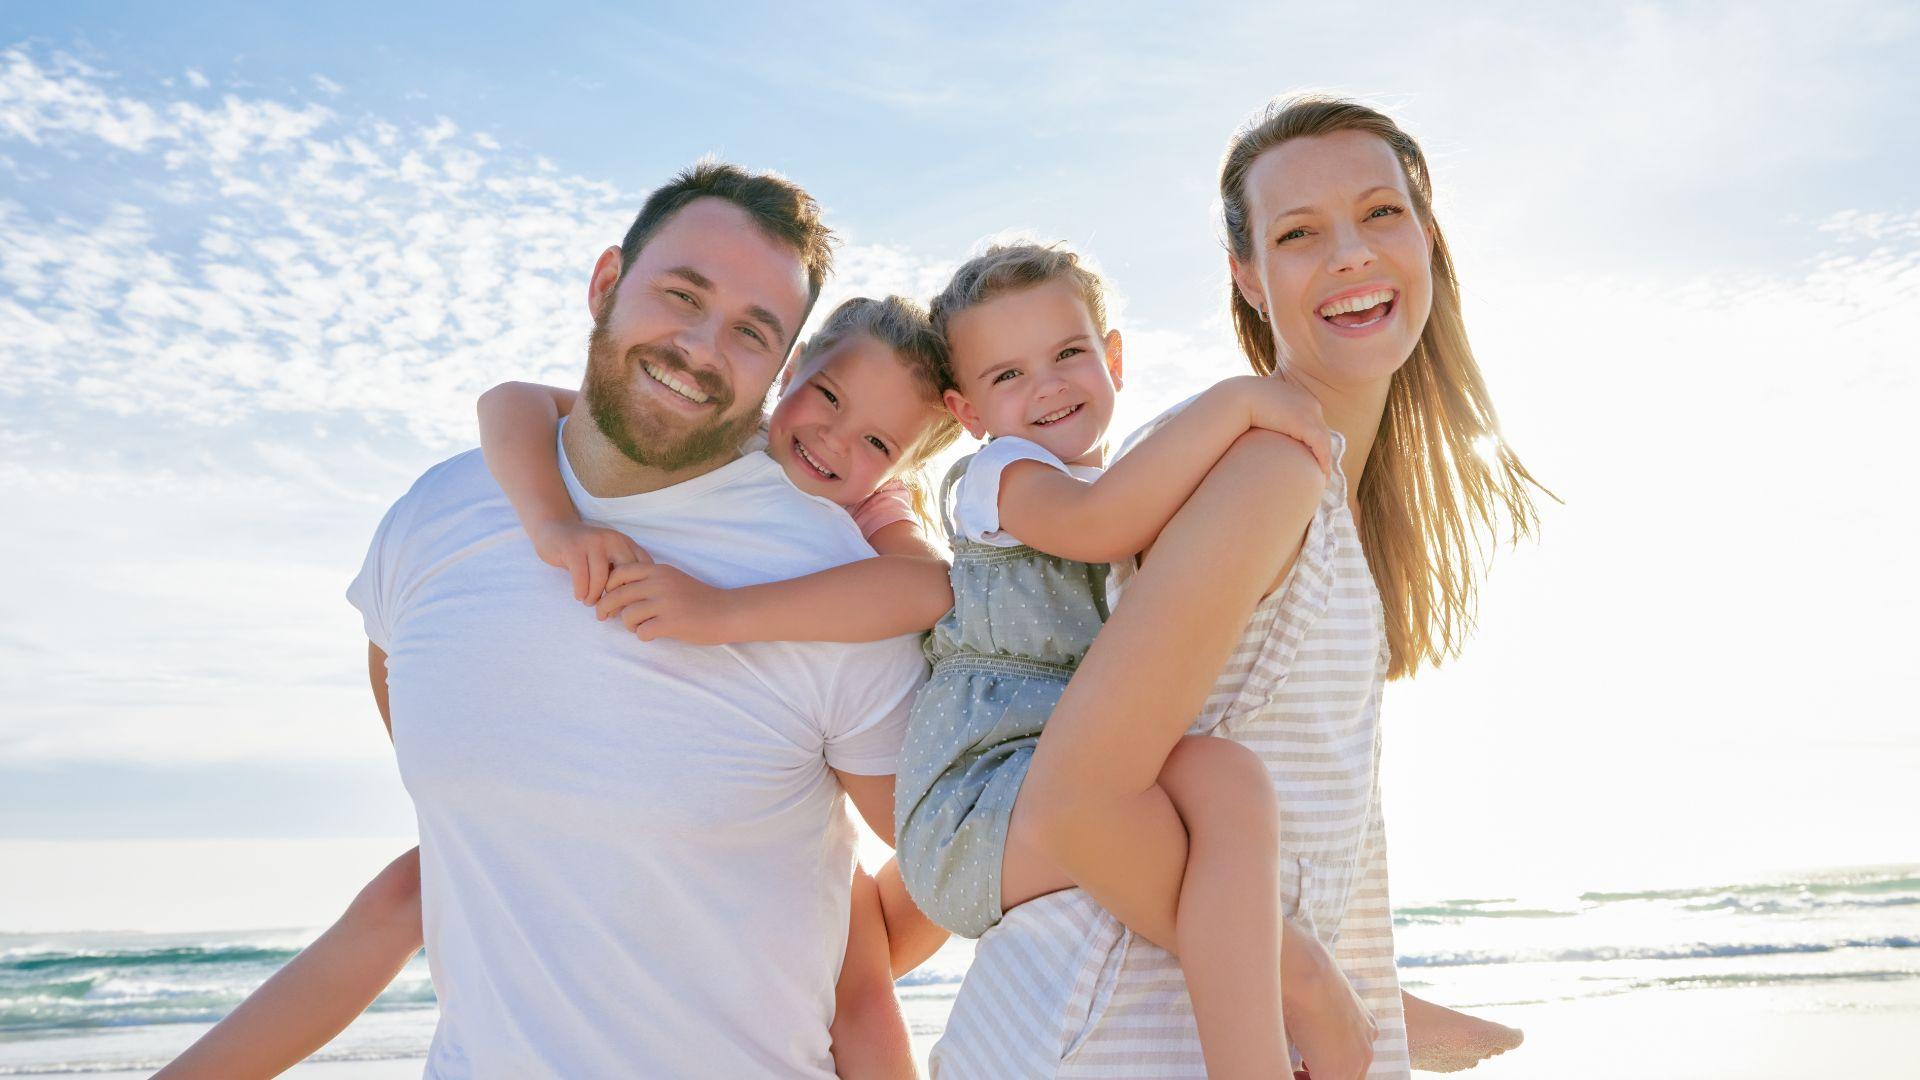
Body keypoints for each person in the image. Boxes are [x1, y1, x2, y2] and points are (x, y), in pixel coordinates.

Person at [155, 290, 961, 1079]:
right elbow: (512, 402)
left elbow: (930, 590)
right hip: (631, 802)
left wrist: (723, 614)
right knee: (413, 884)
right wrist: (552, 523)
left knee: (854, 969)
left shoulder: (868, 520)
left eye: (879, 443)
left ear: (905, 464)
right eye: (826, 395)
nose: (834, 440)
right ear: (789, 370)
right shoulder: (709, 430)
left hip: (782, 786)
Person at [931, 96, 1543, 1080]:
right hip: (1110, 1035)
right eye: (1299, 233)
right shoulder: (1267, 471)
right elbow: (1076, 802)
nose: (1348, 252)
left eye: (1380, 213)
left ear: (1428, 237)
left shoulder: (1321, 483)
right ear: (1248, 278)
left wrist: (1363, 999)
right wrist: (1314, 995)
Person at [890, 240, 1338, 1078]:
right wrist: (1240, 401)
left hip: (1056, 775)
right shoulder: (1000, 475)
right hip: (980, 803)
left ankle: (1260, 1043)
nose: (1049, 386)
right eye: (1008, 376)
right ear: (968, 413)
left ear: (1114, 358)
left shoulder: (1121, 475)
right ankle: (1301, 992)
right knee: (1209, 812)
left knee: (1229, 780)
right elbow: (1103, 522)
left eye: (1068, 354)